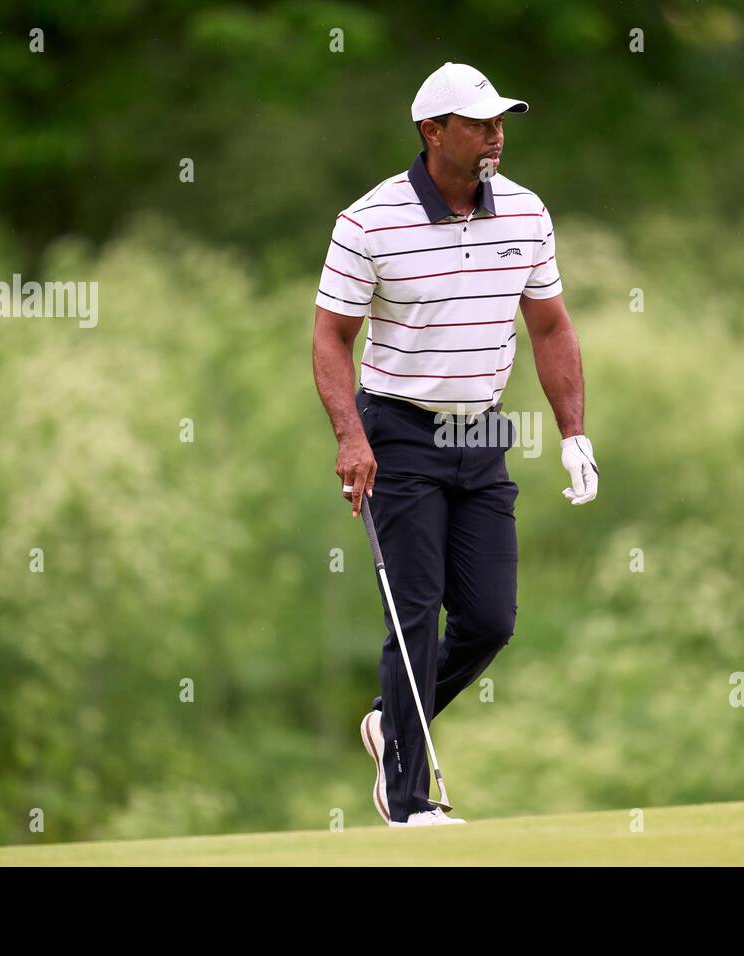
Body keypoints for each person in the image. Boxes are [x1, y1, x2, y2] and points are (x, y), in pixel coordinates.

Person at [311, 62, 599, 827]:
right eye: (478, 123)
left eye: (501, 121)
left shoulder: (527, 214)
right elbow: (332, 338)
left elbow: (550, 325)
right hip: (398, 432)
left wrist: (574, 433)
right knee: (416, 614)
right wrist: (349, 438)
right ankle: (408, 803)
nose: (496, 134)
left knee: (490, 620)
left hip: (484, 427)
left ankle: (390, 720)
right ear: (431, 132)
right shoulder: (369, 220)